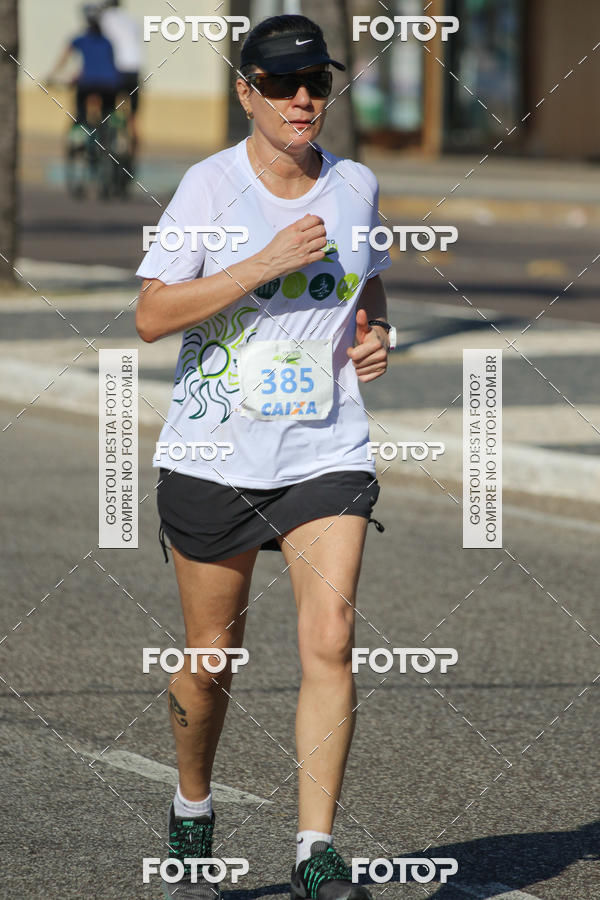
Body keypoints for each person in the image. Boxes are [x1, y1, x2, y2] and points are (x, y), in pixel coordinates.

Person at [135, 14, 395, 900]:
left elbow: (368, 275)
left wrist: (375, 331)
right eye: (281, 85)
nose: (301, 100)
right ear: (244, 91)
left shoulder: (356, 184)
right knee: (213, 660)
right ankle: (192, 804)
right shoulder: (208, 189)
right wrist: (262, 261)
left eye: (315, 84)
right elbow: (152, 314)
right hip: (214, 453)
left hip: (325, 448)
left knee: (332, 637)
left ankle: (314, 852)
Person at [47, 3, 120, 127]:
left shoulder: (80, 39)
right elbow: (112, 64)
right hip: (110, 83)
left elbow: (64, 58)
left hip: (87, 82)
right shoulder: (108, 41)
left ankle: (80, 131)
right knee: (108, 112)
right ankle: (108, 133)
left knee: (80, 109)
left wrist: (51, 75)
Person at [100, 0, 143, 154]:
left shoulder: (104, 18)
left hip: (115, 70)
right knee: (132, 117)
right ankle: (134, 151)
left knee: (107, 109)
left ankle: (104, 143)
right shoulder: (131, 20)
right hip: (135, 69)